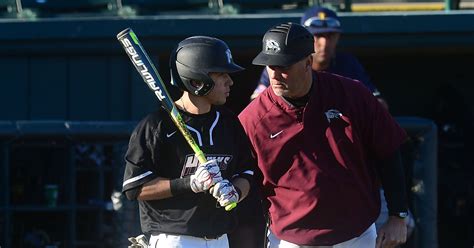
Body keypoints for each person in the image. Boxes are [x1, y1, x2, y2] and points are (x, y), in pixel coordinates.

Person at [239, 22, 409, 248]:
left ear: (308, 62)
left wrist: (398, 215)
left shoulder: (352, 94)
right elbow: (245, 178)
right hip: (291, 240)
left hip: (356, 236)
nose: (276, 74)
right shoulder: (252, 119)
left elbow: (388, 151)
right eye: (270, 65)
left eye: (285, 65)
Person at [122, 36, 255, 248]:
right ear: (197, 81)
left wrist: (235, 192)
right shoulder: (156, 125)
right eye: (221, 74)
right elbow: (135, 189)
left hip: (221, 238)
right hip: (175, 238)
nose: (230, 81)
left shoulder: (229, 122)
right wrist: (189, 183)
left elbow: (246, 173)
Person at [250, 6, 384, 107]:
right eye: (318, 36)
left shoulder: (348, 63)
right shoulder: (279, 64)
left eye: (330, 36)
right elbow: (257, 104)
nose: (324, 43)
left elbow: (378, 104)